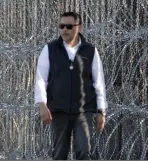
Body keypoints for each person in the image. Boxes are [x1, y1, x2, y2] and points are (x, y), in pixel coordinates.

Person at [34, 12, 108, 160]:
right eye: (61, 26)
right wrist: (42, 104)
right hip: (59, 110)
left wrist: (101, 111)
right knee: (59, 153)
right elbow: (41, 79)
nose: (64, 30)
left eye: (68, 26)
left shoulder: (90, 51)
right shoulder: (50, 49)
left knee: (84, 151)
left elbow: (98, 81)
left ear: (78, 28)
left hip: (83, 110)